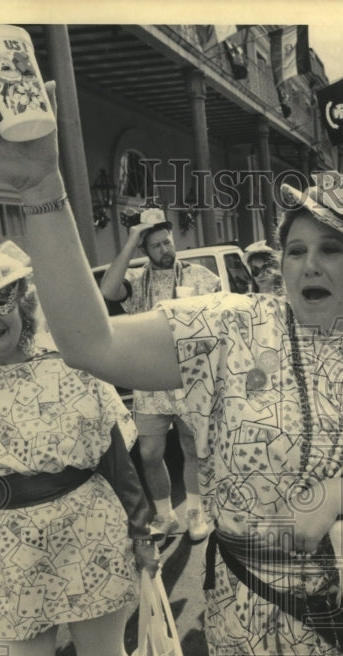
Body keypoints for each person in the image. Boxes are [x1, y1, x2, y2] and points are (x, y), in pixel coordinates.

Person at [0, 83, 343, 656]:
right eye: (295, 249)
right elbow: (88, 344)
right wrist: (42, 192)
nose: (307, 264)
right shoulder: (232, 327)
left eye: (331, 249)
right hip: (252, 630)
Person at [0, 241, 160, 656]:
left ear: (22, 304)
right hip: (10, 555)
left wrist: (142, 533)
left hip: (89, 535)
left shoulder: (73, 370)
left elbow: (117, 464)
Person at [99, 207, 219, 542]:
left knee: (192, 448)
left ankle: (196, 513)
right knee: (150, 453)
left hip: (190, 377)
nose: (165, 250)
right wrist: (132, 239)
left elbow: (223, 318)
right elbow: (107, 292)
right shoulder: (137, 281)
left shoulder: (200, 277)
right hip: (150, 382)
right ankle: (166, 516)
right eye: (156, 245)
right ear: (145, 250)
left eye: (168, 242)